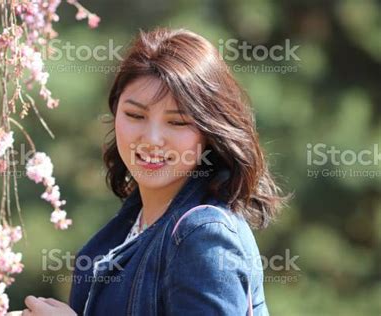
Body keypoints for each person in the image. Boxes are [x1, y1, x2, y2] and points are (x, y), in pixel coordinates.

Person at [23, 27, 286, 316]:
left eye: (177, 122)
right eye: (135, 115)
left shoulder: (204, 235)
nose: (152, 139)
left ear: (211, 131)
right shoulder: (121, 232)